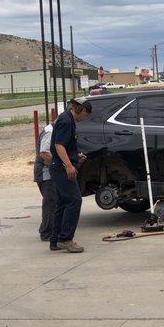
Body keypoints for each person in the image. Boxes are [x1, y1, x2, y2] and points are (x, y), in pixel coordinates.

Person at [49, 98, 92, 252]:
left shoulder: (67, 119)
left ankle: (55, 240)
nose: (84, 118)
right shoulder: (66, 121)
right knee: (75, 201)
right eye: (86, 115)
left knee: (63, 203)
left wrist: (75, 156)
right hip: (61, 168)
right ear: (82, 110)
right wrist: (68, 164)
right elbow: (58, 144)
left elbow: (64, 145)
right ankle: (66, 238)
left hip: (59, 166)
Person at [33, 123, 56, 241]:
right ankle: (47, 233)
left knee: (52, 202)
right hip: (45, 173)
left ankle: (46, 229)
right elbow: (45, 154)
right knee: (50, 202)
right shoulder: (50, 132)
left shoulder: (51, 129)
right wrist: (61, 165)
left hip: (46, 172)